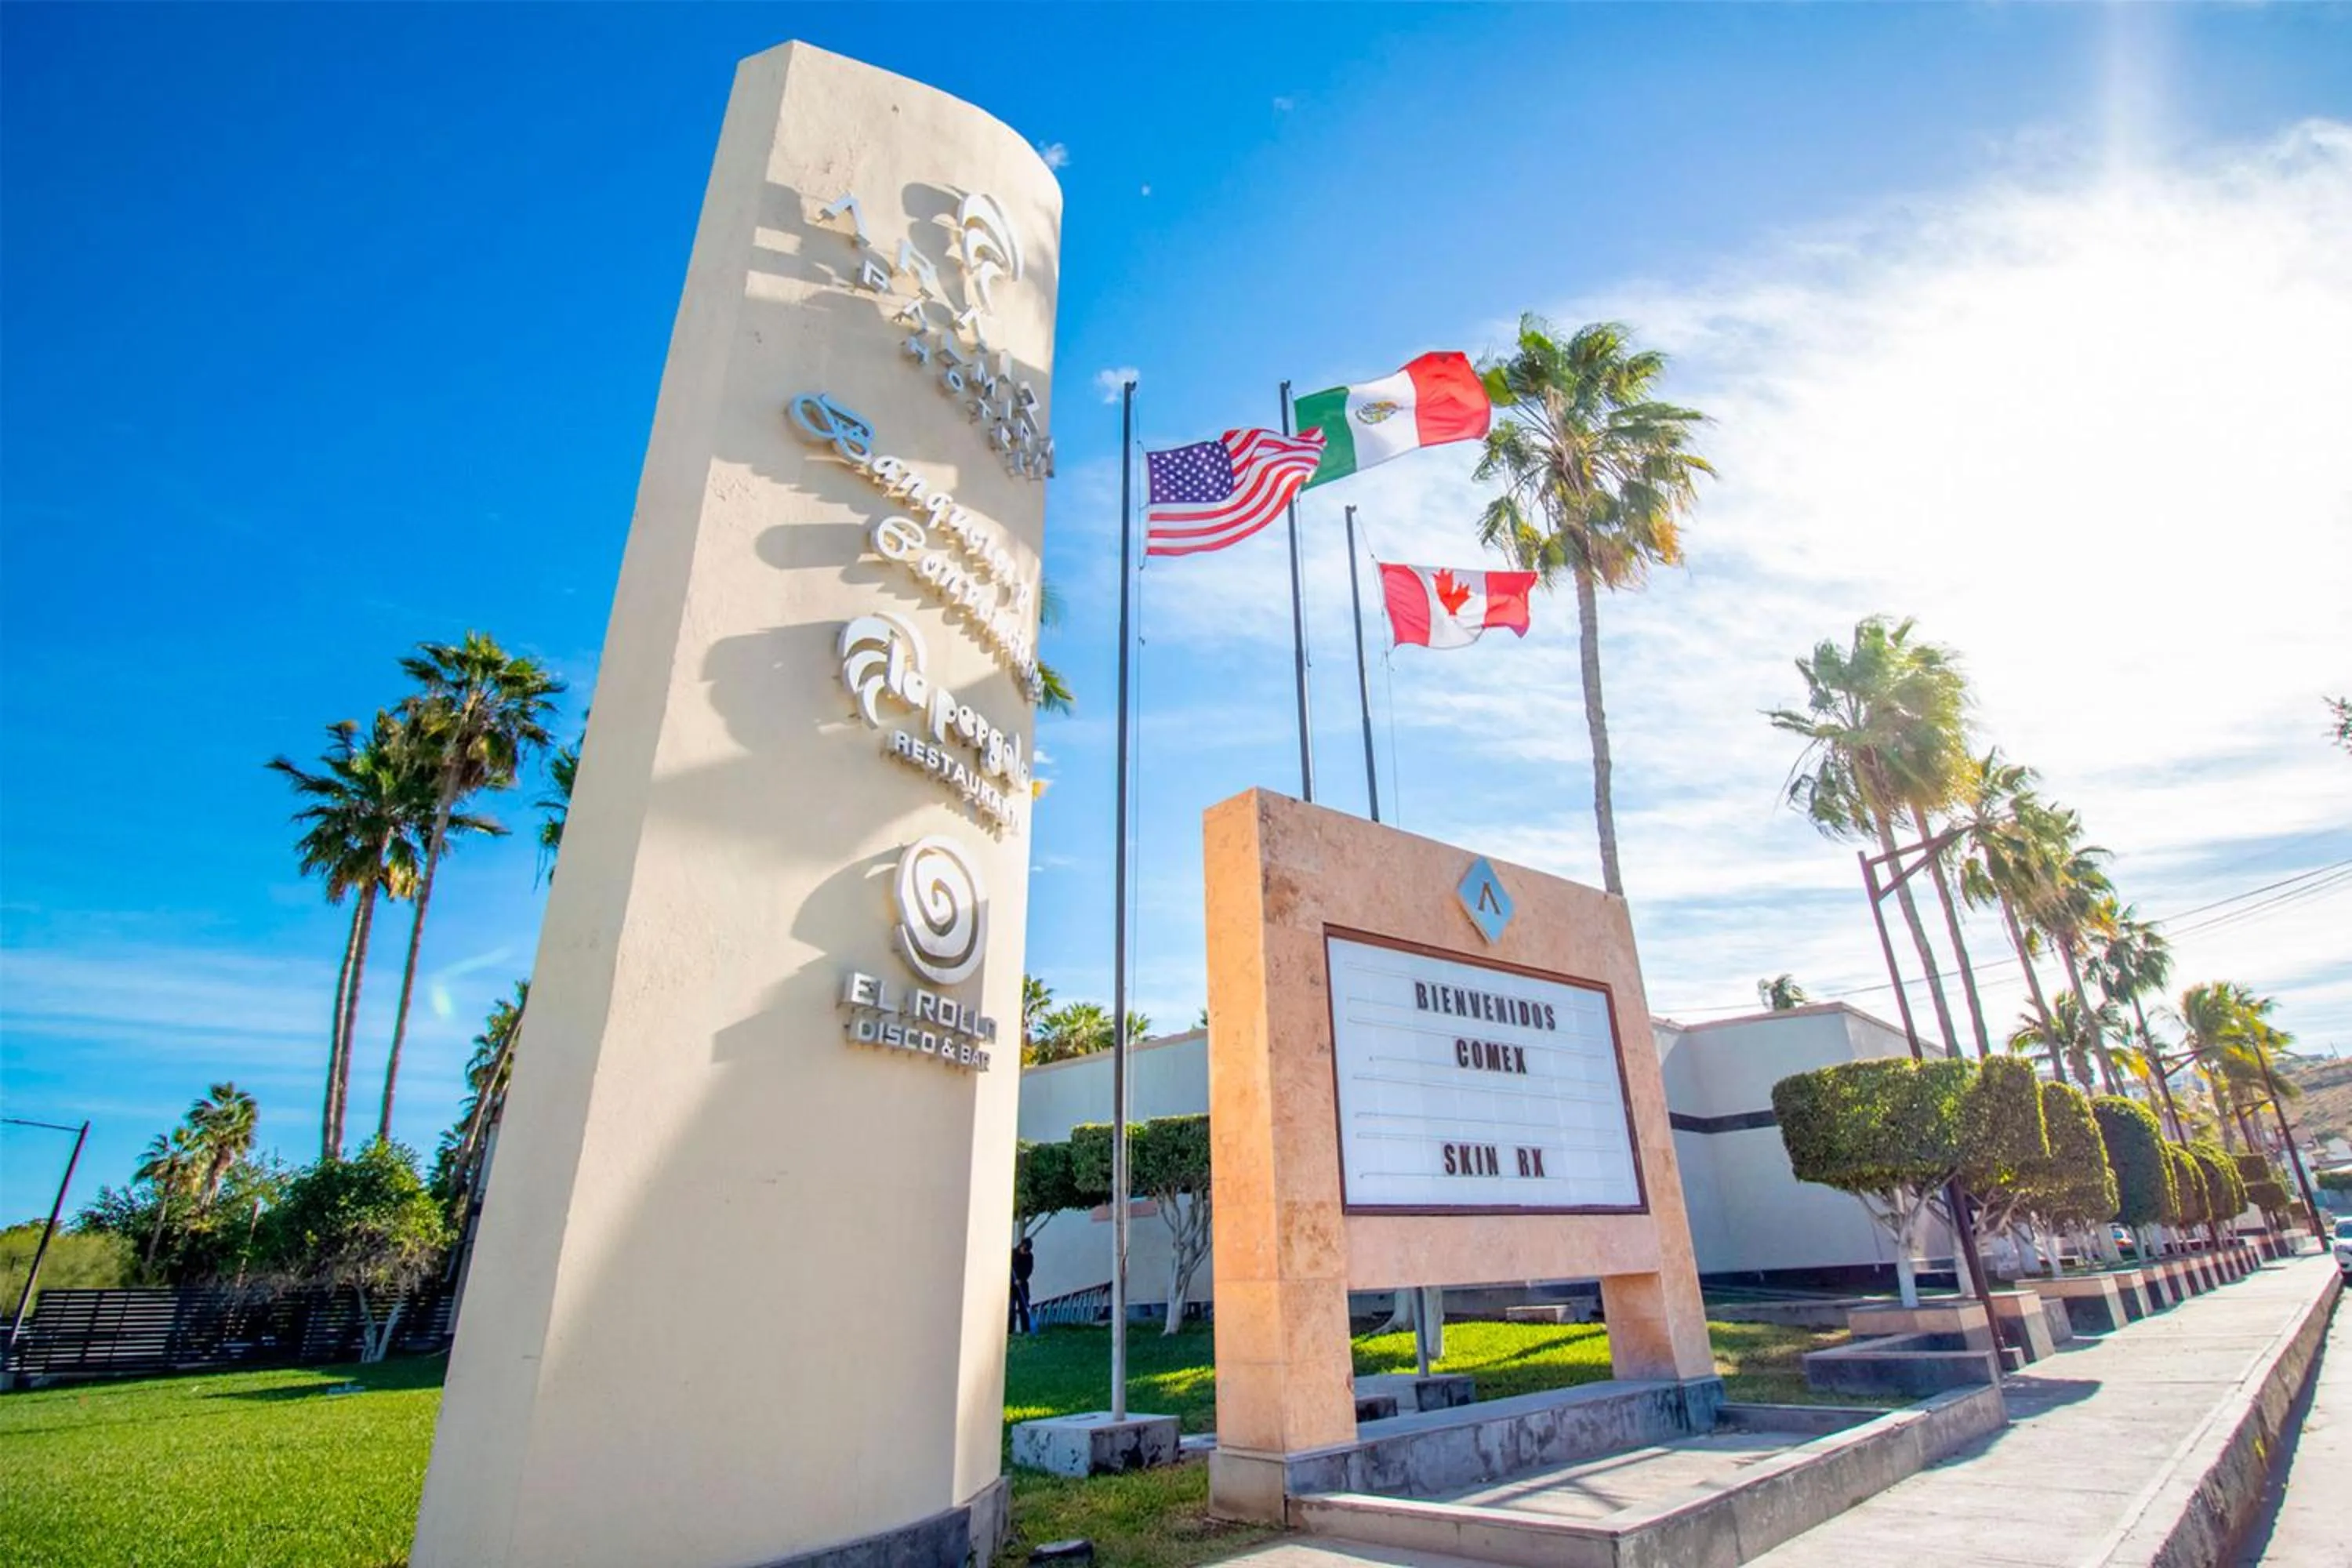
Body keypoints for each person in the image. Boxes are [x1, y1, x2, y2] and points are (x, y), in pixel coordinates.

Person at [1010, 1236, 1036, 1334]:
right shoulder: (1012, 1254)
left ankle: (1026, 1330)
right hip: (1012, 1287)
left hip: (1023, 1285)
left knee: (1024, 1307)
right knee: (1011, 1308)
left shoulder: (1029, 1257)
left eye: (1028, 1251)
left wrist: (1021, 1279)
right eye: (1025, 1250)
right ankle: (1010, 1331)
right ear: (1021, 1246)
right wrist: (1013, 1280)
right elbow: (1009, 1269)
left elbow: (1029, 1270)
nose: (1026, 1252)